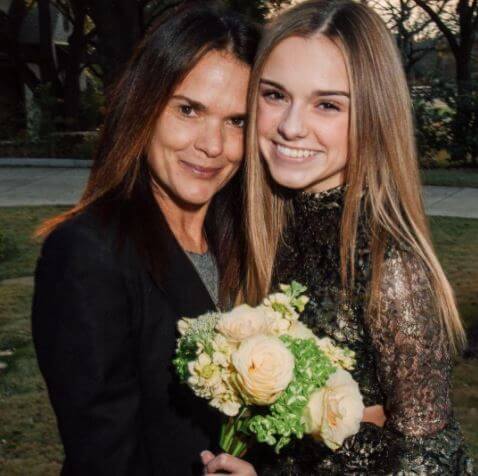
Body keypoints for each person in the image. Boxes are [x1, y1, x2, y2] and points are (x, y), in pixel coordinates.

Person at [203, 0, 474, 474]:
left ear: (372, 115)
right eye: (274, 95)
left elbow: (431, 461)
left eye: (327, 104)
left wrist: (341, 441)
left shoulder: (388, 265)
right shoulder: (266, 228)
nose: (290, 125)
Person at [31, 3, 259, 475]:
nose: (212, 145)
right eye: (189, 109)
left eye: (236, 121)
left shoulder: (247, 243)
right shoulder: (87, 253)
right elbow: (102, 458)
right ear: (144, 105)